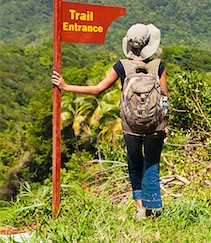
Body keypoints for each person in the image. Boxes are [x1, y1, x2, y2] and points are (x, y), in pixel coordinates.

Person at [52, 23, 169, 219]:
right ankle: (153, 208)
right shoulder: (159, 66)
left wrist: (66, 86)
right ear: (150, 45)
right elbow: (164, 97)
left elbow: (98, 89)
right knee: (151, 164)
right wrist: (166, 125)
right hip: (155, 125)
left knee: (134, 163)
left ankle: (140, 208)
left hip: (130, 126)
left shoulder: (121, 66)